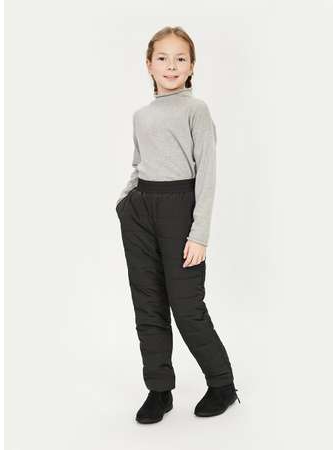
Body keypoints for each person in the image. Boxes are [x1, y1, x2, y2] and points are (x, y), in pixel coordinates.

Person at [115, 26, 240, 424]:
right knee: (148, 304)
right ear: (149, 64)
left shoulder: (195, 110)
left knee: (187, 307)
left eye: (180, 58)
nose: (171, 65)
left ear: (192, 66)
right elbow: (139, 163)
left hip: (180, 208)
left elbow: (207, 174)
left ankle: (222, 384)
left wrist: (199, 234)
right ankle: (159, 390)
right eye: (163, 58)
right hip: (140, 211)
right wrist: (124, 201)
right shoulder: (141, 116)